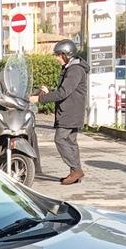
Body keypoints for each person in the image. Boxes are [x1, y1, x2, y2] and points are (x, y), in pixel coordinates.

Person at [32, 39, 88, 185]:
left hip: (70, 113)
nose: (56, 58)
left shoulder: (75, 70)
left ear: (66, 54)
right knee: (71, 142)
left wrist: (40, 98)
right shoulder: (71, 68)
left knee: (60, 139)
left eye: (58, 55)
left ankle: (76, 170)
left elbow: (63, 92)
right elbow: (64, 91)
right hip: (71, 111)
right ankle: (75, 173)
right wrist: (49, 92)